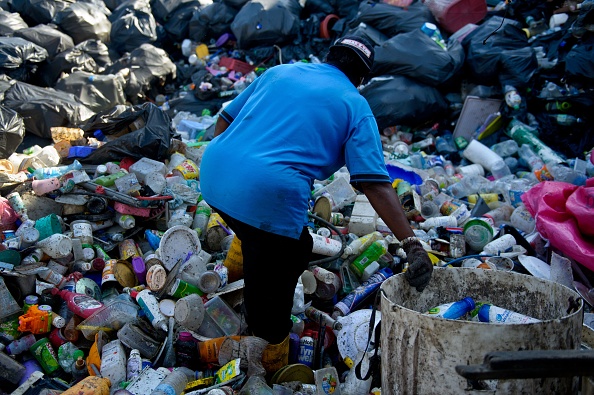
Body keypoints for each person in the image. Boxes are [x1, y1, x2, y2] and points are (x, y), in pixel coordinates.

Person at [199, 35, 433, 370]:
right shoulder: (355, 104)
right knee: (278, 284)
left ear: (328, 57)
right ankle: (267, 358)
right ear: (362, 78)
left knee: (287, 245)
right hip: (268, 194)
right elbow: (375, 184)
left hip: (213, 176)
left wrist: (235, 167)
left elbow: (225, 119)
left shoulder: (279, 72)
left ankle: (247, 273)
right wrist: (411, 243)